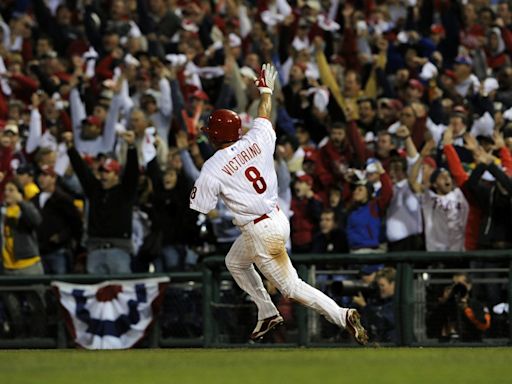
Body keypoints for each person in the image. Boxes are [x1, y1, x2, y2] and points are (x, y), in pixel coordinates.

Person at [189, 63, 368, 345]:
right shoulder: (256, 138)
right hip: (276, 217)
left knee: (291, 287)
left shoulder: (211, 167)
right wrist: (265, 90)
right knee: (235, 261)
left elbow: (202, 208)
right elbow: (263, 113)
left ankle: (341, 314)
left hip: (260, 230)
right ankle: (266, 311)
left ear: (213, 135)